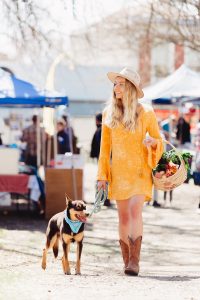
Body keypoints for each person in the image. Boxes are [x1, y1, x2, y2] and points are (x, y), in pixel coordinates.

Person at [97, 67, 163, 276]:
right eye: (115, 84)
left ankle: (135, 260)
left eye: (121, 84)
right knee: (123, 216)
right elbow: (104, 150)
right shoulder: (109, 114)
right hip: (119, 173)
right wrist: (102, 177)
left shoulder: (147, 112)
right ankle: (127, 260)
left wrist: (153, 142)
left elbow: (159, 141)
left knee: (135, 210)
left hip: (140, 171)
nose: (116, 88)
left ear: (132, 88)